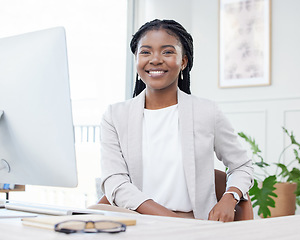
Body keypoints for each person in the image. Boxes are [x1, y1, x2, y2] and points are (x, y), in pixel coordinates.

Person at [100, 19, 253, 222]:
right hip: (137, 225)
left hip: (195, 227)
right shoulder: (115, 116)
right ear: (136, 59)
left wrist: (229, 197)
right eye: (145, 52)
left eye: (167, 52)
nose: (155, 59)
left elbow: (241, 165)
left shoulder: (206, 112)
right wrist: (168, 219)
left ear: (183, 61)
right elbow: (115, 183)